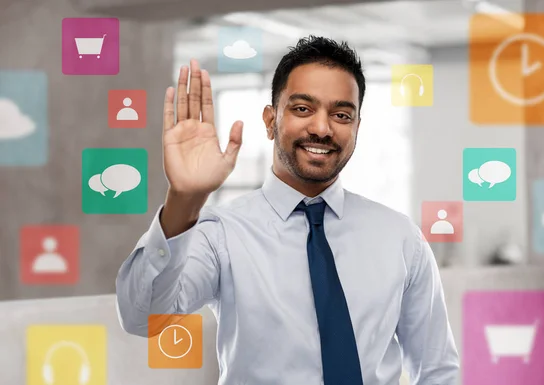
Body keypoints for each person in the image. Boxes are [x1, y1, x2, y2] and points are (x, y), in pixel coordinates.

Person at [116, 36, 459, 385]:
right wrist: (184, 200)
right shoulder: (222, 231)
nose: (322, 128)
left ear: (356, 127)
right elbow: (144, 318)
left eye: (341, 115)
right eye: (302, 109)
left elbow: (437, 370)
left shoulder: (399, 238)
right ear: (270, 121)